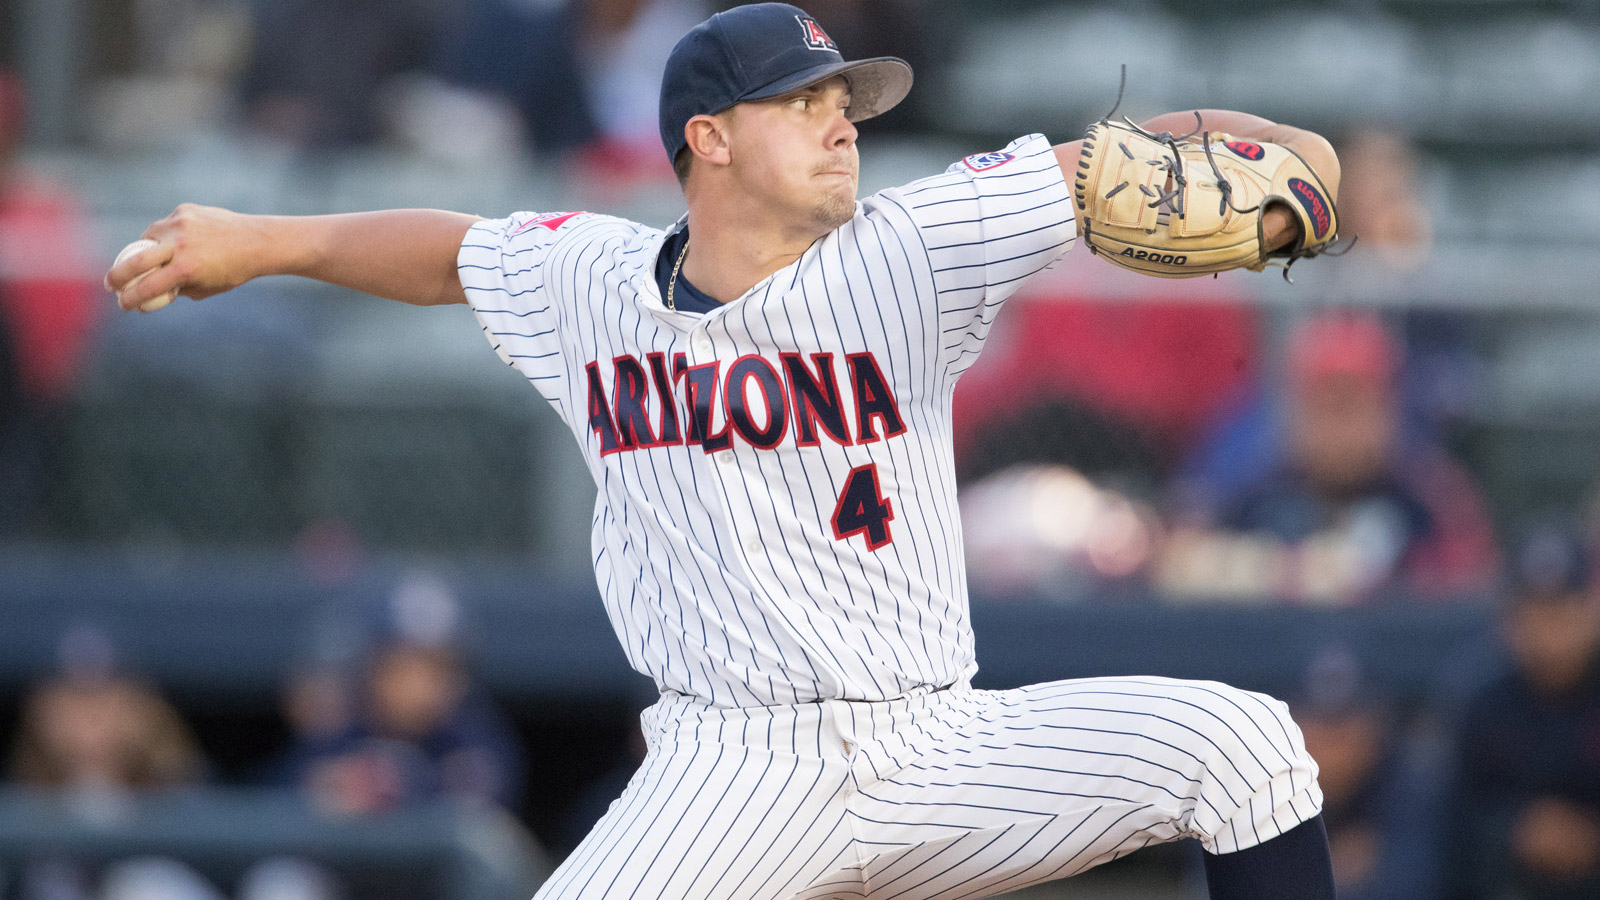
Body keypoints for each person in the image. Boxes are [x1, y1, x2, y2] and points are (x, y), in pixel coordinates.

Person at [107, 5, 1344, 897]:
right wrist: (263, 241)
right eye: (803, 103)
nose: (840, 126)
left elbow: (1106, 159)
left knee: (1242, 750)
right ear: (707, 137)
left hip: (937, 743)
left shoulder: (914, 249)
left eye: (844, 105)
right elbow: (446, 251)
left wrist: (1306, 160)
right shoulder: (586, 280)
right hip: (732, 767)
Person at [1443, 520, 1600, 900]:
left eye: (1561, 613)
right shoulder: (1480, 698)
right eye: (1532, 614)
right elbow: (1453, 819)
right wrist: (1514, 830)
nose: (1548, 636)